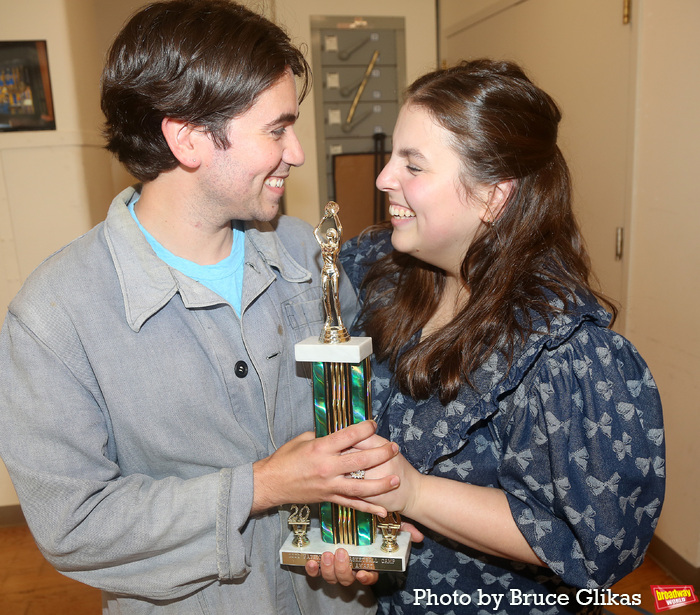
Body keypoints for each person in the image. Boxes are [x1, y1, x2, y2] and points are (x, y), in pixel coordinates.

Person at [0, 1, 402, 613]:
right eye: (276, 129)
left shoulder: (303, 256)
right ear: (188, 139)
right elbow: (74, 525)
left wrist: (354, 528)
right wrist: (261, 487)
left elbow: (348, 426)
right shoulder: (56, 316)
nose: (295, 152)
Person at [309, 59, 665, 613]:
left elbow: (592, 545)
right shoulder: (379, 272)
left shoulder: (563, 353)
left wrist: (417, 494)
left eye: (414, 165)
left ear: (496, 196)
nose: (383, 179)